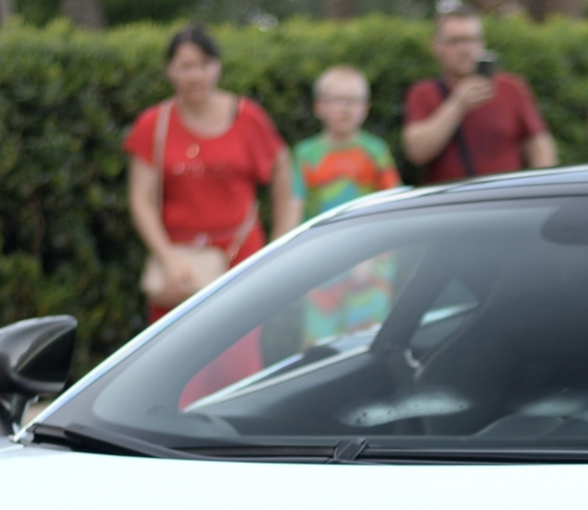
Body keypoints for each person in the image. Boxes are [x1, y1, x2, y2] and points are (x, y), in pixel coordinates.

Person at [125, 25, 299, 320]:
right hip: (179, 266)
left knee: (239, 355)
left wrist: (281, 240)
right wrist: (166, 258)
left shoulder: (248, 119)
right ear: (170, 71)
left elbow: (284, 170)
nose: (195, 75)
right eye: (185, 66)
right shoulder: (153, 125)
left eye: (204, 65)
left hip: (241, 257)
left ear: (217, 67)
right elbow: (140, 198)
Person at [402, 5, 556, 182]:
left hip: (507, 199)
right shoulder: (423, 93)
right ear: (436, 47)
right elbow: (417, 152)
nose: (465, 49)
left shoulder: (511, 88)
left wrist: (539, 187)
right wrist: (458, 104)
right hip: (452, 204)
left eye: (472, 40)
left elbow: (539, 144)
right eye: (455, 41)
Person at [293, 64, 398, 220]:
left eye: (353, 100)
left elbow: (393, 200)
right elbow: (293, 205)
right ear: (319, 106)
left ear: (365, 108)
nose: (345, 108)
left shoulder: (376, 150)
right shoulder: (305, 154)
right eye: (336, 100)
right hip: (319, 239)